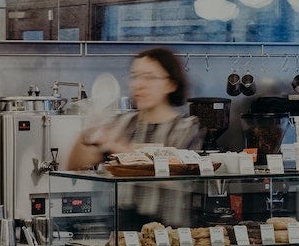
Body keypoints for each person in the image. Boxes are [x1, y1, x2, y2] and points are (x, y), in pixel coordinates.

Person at [67, 47, 204, 227]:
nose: (139, 84)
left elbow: (172, 177)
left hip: (169, 237)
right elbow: (75, 166)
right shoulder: (122, 123)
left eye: (149, 77)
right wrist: (88, 133)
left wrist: (121, 150)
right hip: (121, 232)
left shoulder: (185, 129)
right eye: (135, 76)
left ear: (171, 84)